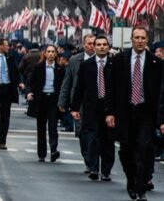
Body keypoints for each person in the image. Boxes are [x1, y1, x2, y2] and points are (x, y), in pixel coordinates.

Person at [105, 27, 163, 201]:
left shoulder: (157, 63)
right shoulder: (119, 60)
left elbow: (162, 93)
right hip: (125, 112)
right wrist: (110, 112)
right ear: (131, 39)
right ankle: (131, 180)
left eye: (143, 38)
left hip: (146, 113)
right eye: (136, 37)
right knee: (127, 151)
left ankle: (141, 186)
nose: (139, 40)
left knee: (144, 149)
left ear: (147, 40)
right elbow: (110, 87)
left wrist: (162, 119)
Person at [70, 35, 115, 182]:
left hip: (109, 107)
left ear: (108, 47)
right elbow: (79, 88)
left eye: (104, 44)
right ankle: (94, 168)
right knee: (93, 138)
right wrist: (75, 108)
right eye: (99, 44)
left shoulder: (114, 65)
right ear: (94, 47)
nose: (102, 47)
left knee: (108, 140)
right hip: (91, 107)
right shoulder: (86, 65)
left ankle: (106, 171)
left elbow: (120, 88)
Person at [59, 33, 96, 171]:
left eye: (94, 43)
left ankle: (95, 163)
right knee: (82, 131)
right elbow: (67, 82)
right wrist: (62, 101)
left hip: (98, 102)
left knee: (96, 133)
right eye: (89, 43)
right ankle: (88, 159)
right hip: (80, 102)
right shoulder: (75, 60)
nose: (92, 46)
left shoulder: (105, 60)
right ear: (84, 45)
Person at [26, 44, 64, 162]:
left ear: (56, 54)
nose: (51, 54)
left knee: (53, 127)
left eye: (53, 51)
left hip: (53, 99)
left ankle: (53, 150)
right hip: (41, 100)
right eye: (49, 51)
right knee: (41, 128)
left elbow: (64, 85)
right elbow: (30, 82)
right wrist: (29, 92)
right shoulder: (38, 67)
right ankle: (41, 153)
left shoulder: (60, 68)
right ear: (45, 54)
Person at [0, 38, 20, 150]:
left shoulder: (9, 57)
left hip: (7, 88)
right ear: (0, 46)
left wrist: (19, 82)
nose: (8, 47)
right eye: (6, 45)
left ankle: (2, 142)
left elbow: (15, 72)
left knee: (5, 115)